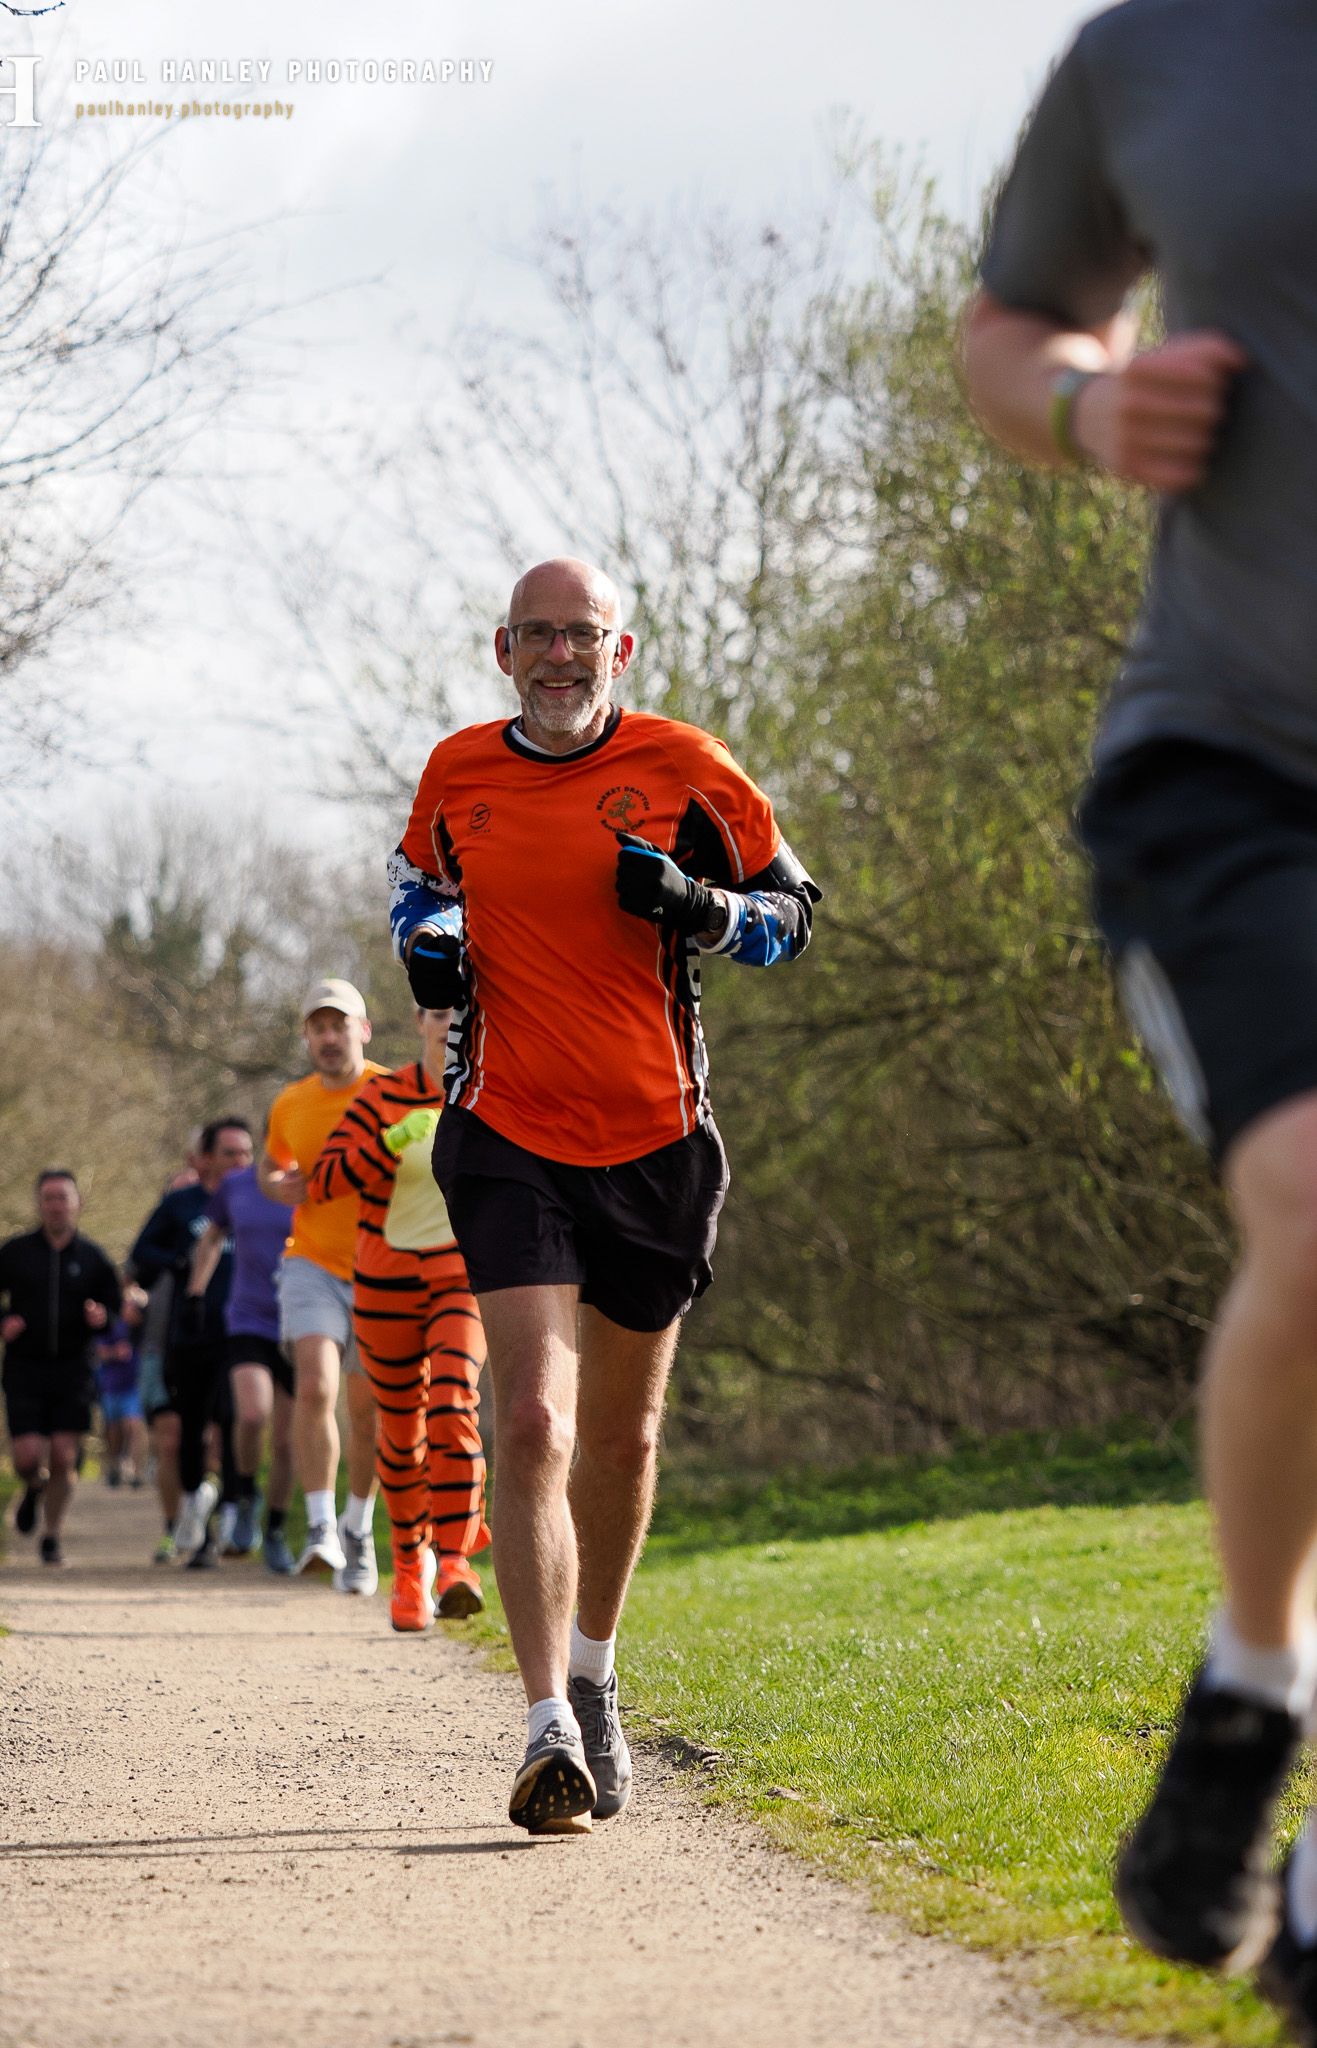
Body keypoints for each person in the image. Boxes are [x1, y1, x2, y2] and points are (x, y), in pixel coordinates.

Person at [960, 11, 1317, 2037]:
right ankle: (1251, 1679)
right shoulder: (1163, 51)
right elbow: (1010, 321)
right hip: (1243, 773)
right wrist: (1083, 405)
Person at [390, 556, 817, 1833]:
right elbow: (419, 888)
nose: (559, 655)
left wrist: (699, 904)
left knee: (623, 1441)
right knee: (531, 1419)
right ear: (502, 648)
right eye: (537, 635)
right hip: (505, 1132)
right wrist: (430, 943)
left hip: (655, 1143)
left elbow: (795, 915)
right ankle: (545, 1729)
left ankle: (593, 1670)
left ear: (618, 649)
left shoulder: (688, 766)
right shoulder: (459, 771)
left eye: (582, 635)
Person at [306, 1002, 490, 1631]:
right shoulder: (382, 1096)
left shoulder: (492, 1090)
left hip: (461, 1279)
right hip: (385, 1284)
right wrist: (389, 1143)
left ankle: (457, 1562)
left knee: (452, 1404)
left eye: (462, 1010)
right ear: (419, 1022)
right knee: (402, 1433)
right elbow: (325, 1181)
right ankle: (410, 1568)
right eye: (438, 1012)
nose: (449, 1022)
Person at [260, 980, 388, 1583]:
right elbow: (272, 1163)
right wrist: (275, 1184)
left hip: (384, 1267)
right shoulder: (291, 1103)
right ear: (307, 1037)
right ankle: (319, 1527)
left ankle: (356, 1526)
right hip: (311, 1263)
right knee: (314, 1388)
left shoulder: (394, 1093)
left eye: (340, 1025)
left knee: (370, 1412)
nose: (330, 1037)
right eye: (319, 1027)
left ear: (364, 1030)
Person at [0, 1170, 124, 1567]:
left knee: (63, 1457)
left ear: (78, 1204)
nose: (56, 1205)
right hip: (24, 1369)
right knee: (27, 1459)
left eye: (63, 1198)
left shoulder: (92, 1258)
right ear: (39, 1205)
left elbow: (114, 1307)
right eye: (49, 1198)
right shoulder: (16, 1252)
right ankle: (32, 1489)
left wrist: (102, 1318)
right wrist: (0, 1321)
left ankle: (51, 1536)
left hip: (74, 1371)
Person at [128, 1118, 253, 1569]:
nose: (239, 1161)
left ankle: (235, 1513)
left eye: (246, 1153)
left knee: (236, 1421)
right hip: (190, 1335)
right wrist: (182, 1258)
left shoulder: (258, 1197)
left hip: (243, 1333)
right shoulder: (180, 1204)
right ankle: (196, 1521)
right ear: (207, 1159)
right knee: (189, 1432)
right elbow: (142, 1254)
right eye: (229, 1153)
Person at [186, 1127, 296, 1573]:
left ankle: (275, 1530)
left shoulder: (316, 1180)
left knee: (288, 1441)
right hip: (248, 1317)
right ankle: (246, 1497)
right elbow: (212, 1236)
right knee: (251, 1414)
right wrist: (196, 1290)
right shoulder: (236, 1185)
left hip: (300, 1319)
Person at [93, 1312, 146, 1487]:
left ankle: (135, 1471)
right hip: (110, 1389)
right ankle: (114, 1468)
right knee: (114, 1434)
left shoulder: (139, 1324)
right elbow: (99, 1352)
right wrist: (116, 1352)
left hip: (132, 1388)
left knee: (135, 1427)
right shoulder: (109, 1323)